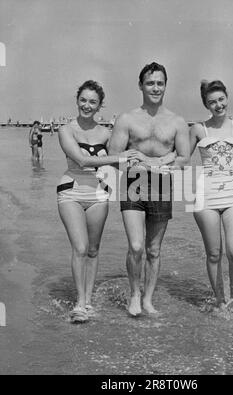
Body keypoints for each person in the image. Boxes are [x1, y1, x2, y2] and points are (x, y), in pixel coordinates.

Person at [108, 62, 190, 316]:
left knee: (153, 249)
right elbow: (112, 153)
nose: (156, 88)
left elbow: (185, 157)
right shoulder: (127, 119)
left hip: (162, 184)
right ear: (140, 85)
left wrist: (166, 161)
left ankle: (148, 300)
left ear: (166, 85)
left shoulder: (177, 121)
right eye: (150, 83)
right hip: (133, 181)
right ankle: (134, 295)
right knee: (136, 246)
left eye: (160, 83)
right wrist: (129, 159)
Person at [57, 80, 138, 323]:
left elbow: (118, 162)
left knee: (93, 250)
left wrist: (144, 162)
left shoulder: (106, 133)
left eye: (93, 101)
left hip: (99, 195)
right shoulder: (66, 130)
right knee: (80, 248)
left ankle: (89, 301)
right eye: (83, 100)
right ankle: (79, 304)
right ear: (77, 100)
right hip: (70, 192)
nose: (87, 105)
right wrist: (119, 157)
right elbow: (82, 160)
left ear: (100, 105)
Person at [190, 80, 233, 308]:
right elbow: (184, 161)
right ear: (206, 104)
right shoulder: (198, 129)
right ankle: (219, 299)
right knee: (214, 254)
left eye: (221, 99)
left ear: (227, 97)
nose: (218, 105)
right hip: (205, 199)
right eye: (212, 102)